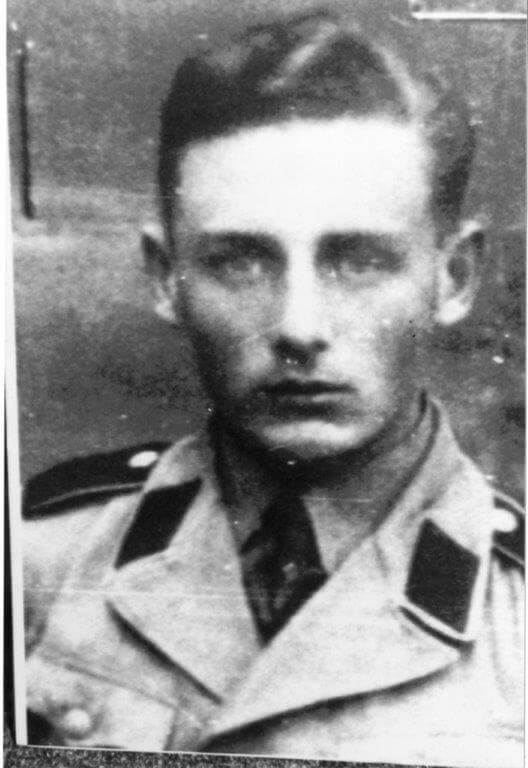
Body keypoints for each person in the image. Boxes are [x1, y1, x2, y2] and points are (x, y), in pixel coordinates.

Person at [22, 11, 523, 767]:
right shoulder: (40, 557)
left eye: (359, 261)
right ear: (166, 277)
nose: (299, 327)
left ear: (452, 277)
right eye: (239, 261)